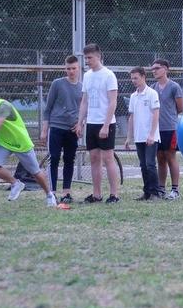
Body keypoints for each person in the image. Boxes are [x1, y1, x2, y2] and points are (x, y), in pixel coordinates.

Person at [76, 43, 121, 204]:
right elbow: (85, 102)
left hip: (105, 122)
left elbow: (112, 102)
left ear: (99, 57)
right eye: (86, 58)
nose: (87, 61)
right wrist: (80, 122)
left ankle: (114, 194)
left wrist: (106, 125)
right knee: (94, 158)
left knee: (108, 158)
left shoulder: (108, 75)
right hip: (92, 123)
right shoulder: (87, 76)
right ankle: (96, 194)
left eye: (90, 58)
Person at [40, 55, 83, 204]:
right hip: (56, 127)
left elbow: (83, 110)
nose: (71, 71)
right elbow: (48, 108)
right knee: (54, 158)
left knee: (69, 159)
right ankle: (51, 193)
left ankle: (66, 192)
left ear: (79, 69)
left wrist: (80, 124)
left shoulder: (82, 87)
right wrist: (45, 130)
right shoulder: (57, 84)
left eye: (74, 68)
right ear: (65, 69)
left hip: (72, 130)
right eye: (68, 68)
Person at [125, 67, 163, 201]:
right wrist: (128, 138)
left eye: (136, 78)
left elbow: (156, 114)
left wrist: (152, 134)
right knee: (143, 165)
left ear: (143, 77)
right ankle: (147, 192)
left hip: (151, 137)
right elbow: (131, 117)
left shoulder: (152, 93)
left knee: (150, 164)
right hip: (139, 136)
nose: (133, 81)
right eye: (132, 78)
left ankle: (155, 192)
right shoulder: (133, 96)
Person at [150, 58, 183, 199]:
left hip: (170, 128)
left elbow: (180, 108)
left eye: (157, 68)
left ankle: (175, 190)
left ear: (165, 69)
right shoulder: (152, 88)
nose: (154, 71)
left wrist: (169, 117)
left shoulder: (174, 87)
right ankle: (161, 189)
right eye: (153, 69)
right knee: (160, 158)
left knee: (171, 157)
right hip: (157, 129)